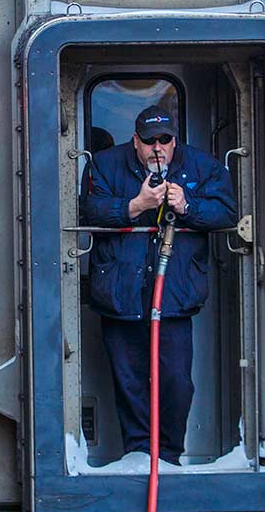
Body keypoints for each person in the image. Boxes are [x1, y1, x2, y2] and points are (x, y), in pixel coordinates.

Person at [78, 101, 237, 463]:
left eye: (165, 140)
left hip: (174, 298)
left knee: (176, 383)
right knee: (129, 382)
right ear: (135, 140)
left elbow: (228, 211)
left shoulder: (202, 166)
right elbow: (89, 209)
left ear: (175, 140)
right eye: (150, 141)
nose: (158, 148)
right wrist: (135, 205)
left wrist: (188, 206)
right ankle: (138, 453)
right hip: (121, 296)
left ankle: (167, 455)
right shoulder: (105, 165)